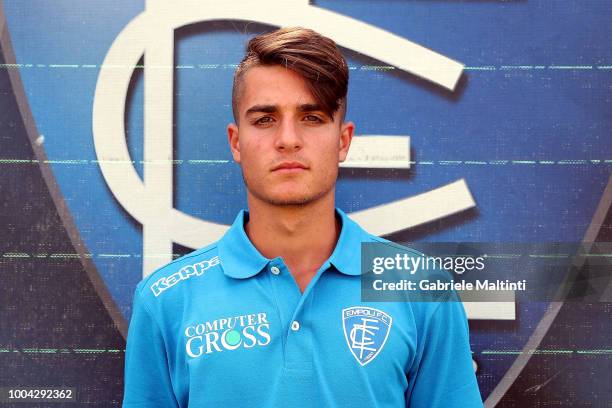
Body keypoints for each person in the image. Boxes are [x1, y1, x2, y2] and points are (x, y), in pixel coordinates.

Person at [122, 26, 482, 407]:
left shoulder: (419, 290)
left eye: (311, 117)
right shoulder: (167, 300)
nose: (288, 139)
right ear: (235, 142)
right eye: (264, 119)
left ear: (343, 140)